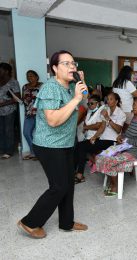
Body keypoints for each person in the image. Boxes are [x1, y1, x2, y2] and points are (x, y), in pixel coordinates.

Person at [18, 50, 88, 238]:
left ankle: (67, 223)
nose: (72, 66)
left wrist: (81, 87)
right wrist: (75, 99)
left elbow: (82, 106)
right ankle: (30, 222)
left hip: (65, 143)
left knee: (68, 185)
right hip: (49, 145)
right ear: (55, 68)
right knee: (58, 187)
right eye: (66, 63)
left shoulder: (69, 86)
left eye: (73, 63)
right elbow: (53, 121)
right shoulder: (50, 87)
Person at [95, 97, 137, 197]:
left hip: (134, 152)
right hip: (124, 147)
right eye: (134, 104)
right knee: (101, 156)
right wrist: (122, 136)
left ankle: (115, 185)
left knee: (110, 161)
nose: (134, 106)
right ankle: (112, 182)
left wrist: (127, 140)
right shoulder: (134, 118)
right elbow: (128, 134)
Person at [75, 92, 125, 183]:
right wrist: (95, 136)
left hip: (112, 141)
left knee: (82, 146)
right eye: (108, 99)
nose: (108, 101)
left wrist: (108, 118)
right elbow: (102, 127)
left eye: (111, 99)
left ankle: (80, 173)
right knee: (80, 145)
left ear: (116, 101)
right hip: (102, 139)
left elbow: (118, 130)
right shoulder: (107, 110)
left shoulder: (120, 113)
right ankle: (81, 172)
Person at [0, 62, 21, 159]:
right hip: (0, 111)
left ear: (6, 71)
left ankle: (9, 151)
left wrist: (3, 104)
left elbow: (17, 98)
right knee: (1, 130)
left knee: (8, 130)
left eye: (1, 70)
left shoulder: (13, 82)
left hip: (9, 110)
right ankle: (3, 150)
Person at [22, 70, 42, 160]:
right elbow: (24, 99)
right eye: (28, 76)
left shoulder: (42, 86)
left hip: (40, 114)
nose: (29, 78)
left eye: (31, 76)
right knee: (26, 133)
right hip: (29, 113)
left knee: (40, 135)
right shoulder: (25, 87)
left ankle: (40, 154)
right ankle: (34, 152)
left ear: (36, 77)